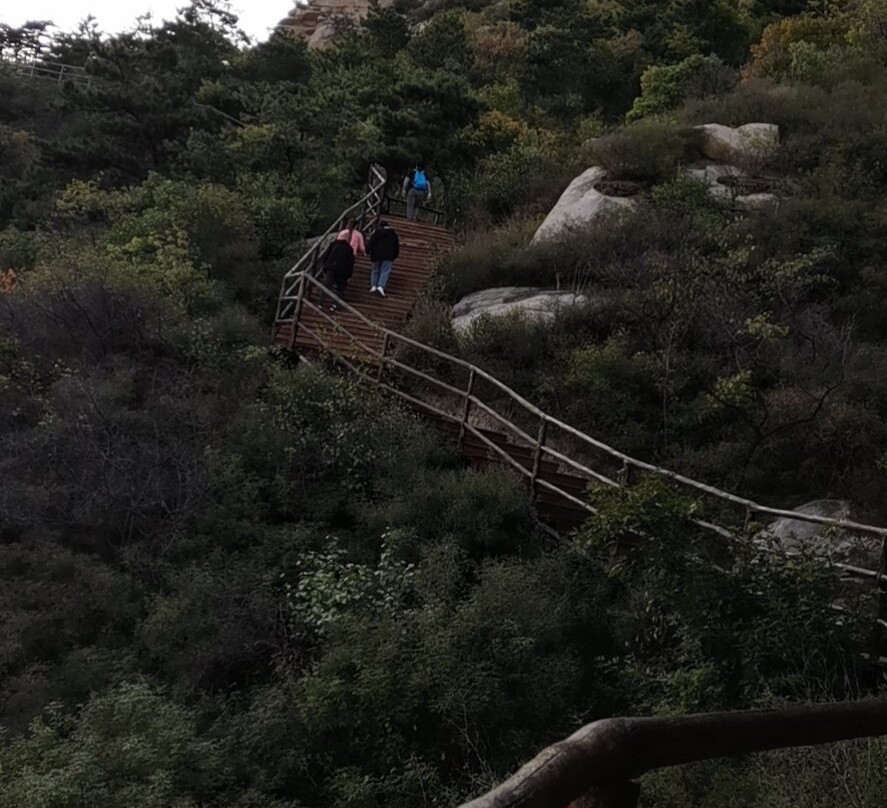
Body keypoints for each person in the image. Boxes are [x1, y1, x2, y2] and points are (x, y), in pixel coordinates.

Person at [319, 235, 354, 311]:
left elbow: (326, 255)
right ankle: (334, 304)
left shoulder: (333, 244)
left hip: (331, 267)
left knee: (327, 284)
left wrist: (325, 265)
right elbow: (350, 263)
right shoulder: (349, 248)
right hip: (342, 270)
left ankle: (321, 302)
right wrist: (349, 275)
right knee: (340, 287)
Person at [366, 220, 400, 297]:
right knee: (385, 271)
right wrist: (394, 256)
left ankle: (373, 286)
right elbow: (396, 247)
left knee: (375, 270)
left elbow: (370, 243)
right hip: (388, 256)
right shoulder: (393, 234)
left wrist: (367, 251)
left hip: (376, 255)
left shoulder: (376, 233)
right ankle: (381, 287)